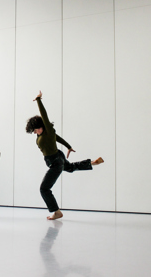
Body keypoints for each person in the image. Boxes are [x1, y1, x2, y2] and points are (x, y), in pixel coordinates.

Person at [26, 91, 104, 220]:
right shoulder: (47, 135)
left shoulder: (48, 131)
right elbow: (58, 138)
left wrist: (39, 100)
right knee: (70, 167)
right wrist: (68, 146)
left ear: (41, 125)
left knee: (44, 189)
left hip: (55, 161)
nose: (35, 132)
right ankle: (92, 162)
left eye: (35, 129)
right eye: (33, 131)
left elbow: (44, 115)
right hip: (59, 157)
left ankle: (56, 212)